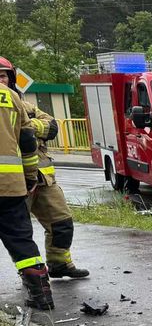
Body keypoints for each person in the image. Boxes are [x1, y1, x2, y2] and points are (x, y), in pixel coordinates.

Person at [0, 62, 90, 279]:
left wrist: (29, 126)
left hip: (43, 178)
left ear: (11, 79)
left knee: (62, 222)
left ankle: (59, 263)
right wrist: (29, 127)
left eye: (3, 76)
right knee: (21, 234)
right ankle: (31, 275)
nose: (0, 81)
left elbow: (52, 126)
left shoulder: (25, 105)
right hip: (14, 182)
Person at [0, 59, 53, 310]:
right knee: (22, 240)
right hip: (11, 186)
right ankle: (42, 295)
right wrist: (30, 177)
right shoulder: (11, 97)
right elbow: (28, 141)